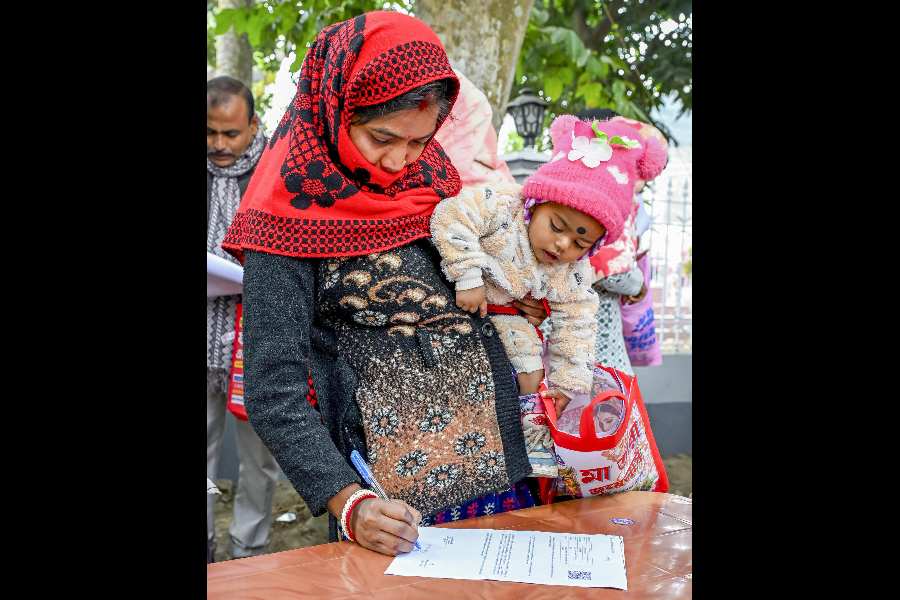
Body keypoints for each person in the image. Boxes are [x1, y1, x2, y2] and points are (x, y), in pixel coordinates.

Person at [221, 11, 535, 557]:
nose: (397, 162)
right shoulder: (286, 212)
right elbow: (275, 388)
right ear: (337, 106)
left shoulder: (436, 180)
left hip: (498, 466)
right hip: (387, 504)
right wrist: (349, 501)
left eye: (417, 142)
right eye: (381, 137)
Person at [430, 114, 667, 411]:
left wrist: (567, 384)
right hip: (456, 308)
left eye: (580, 243)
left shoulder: (574, 271)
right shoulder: (502, 206)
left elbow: (577, 323)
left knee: (531, 377)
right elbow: (453, 215)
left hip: (513, 322)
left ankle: (529, 433)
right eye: (556, 227)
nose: (563, 244)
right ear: (534, 204)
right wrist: (467, 275)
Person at [206, 75, 279, 561]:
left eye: (230, 134)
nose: (218, 145)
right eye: (208, 133)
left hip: (256, 347)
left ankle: (248, 556)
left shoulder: (279, 175)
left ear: (253, 126)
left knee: (260, 462)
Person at [576, 108, 668, 375]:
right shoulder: (607, 199)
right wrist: (638, 284)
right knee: (607, 408)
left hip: (569, 333)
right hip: (595, 338)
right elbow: (613, 272)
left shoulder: (572, 188)